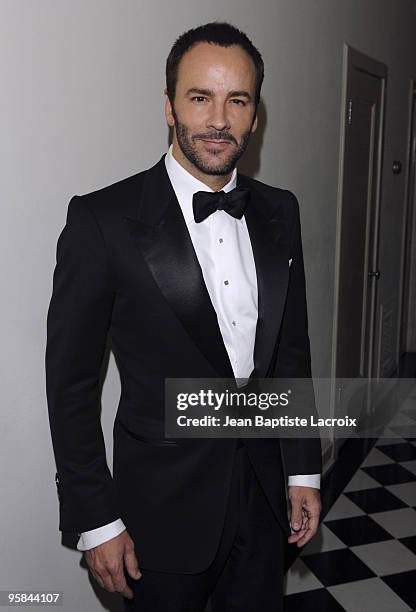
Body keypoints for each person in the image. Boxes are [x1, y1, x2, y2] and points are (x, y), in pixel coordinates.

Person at [46, 21, 322, 612]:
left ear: (254, 116)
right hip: (158, 517)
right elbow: (70, 388)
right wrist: (96, 520)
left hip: (263, 496)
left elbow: (291, 352)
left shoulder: (280, 211)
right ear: (170, 107)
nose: (219, 119)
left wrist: (302, 471)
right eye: (201, 98)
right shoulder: (102, 222)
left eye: (237, 100)